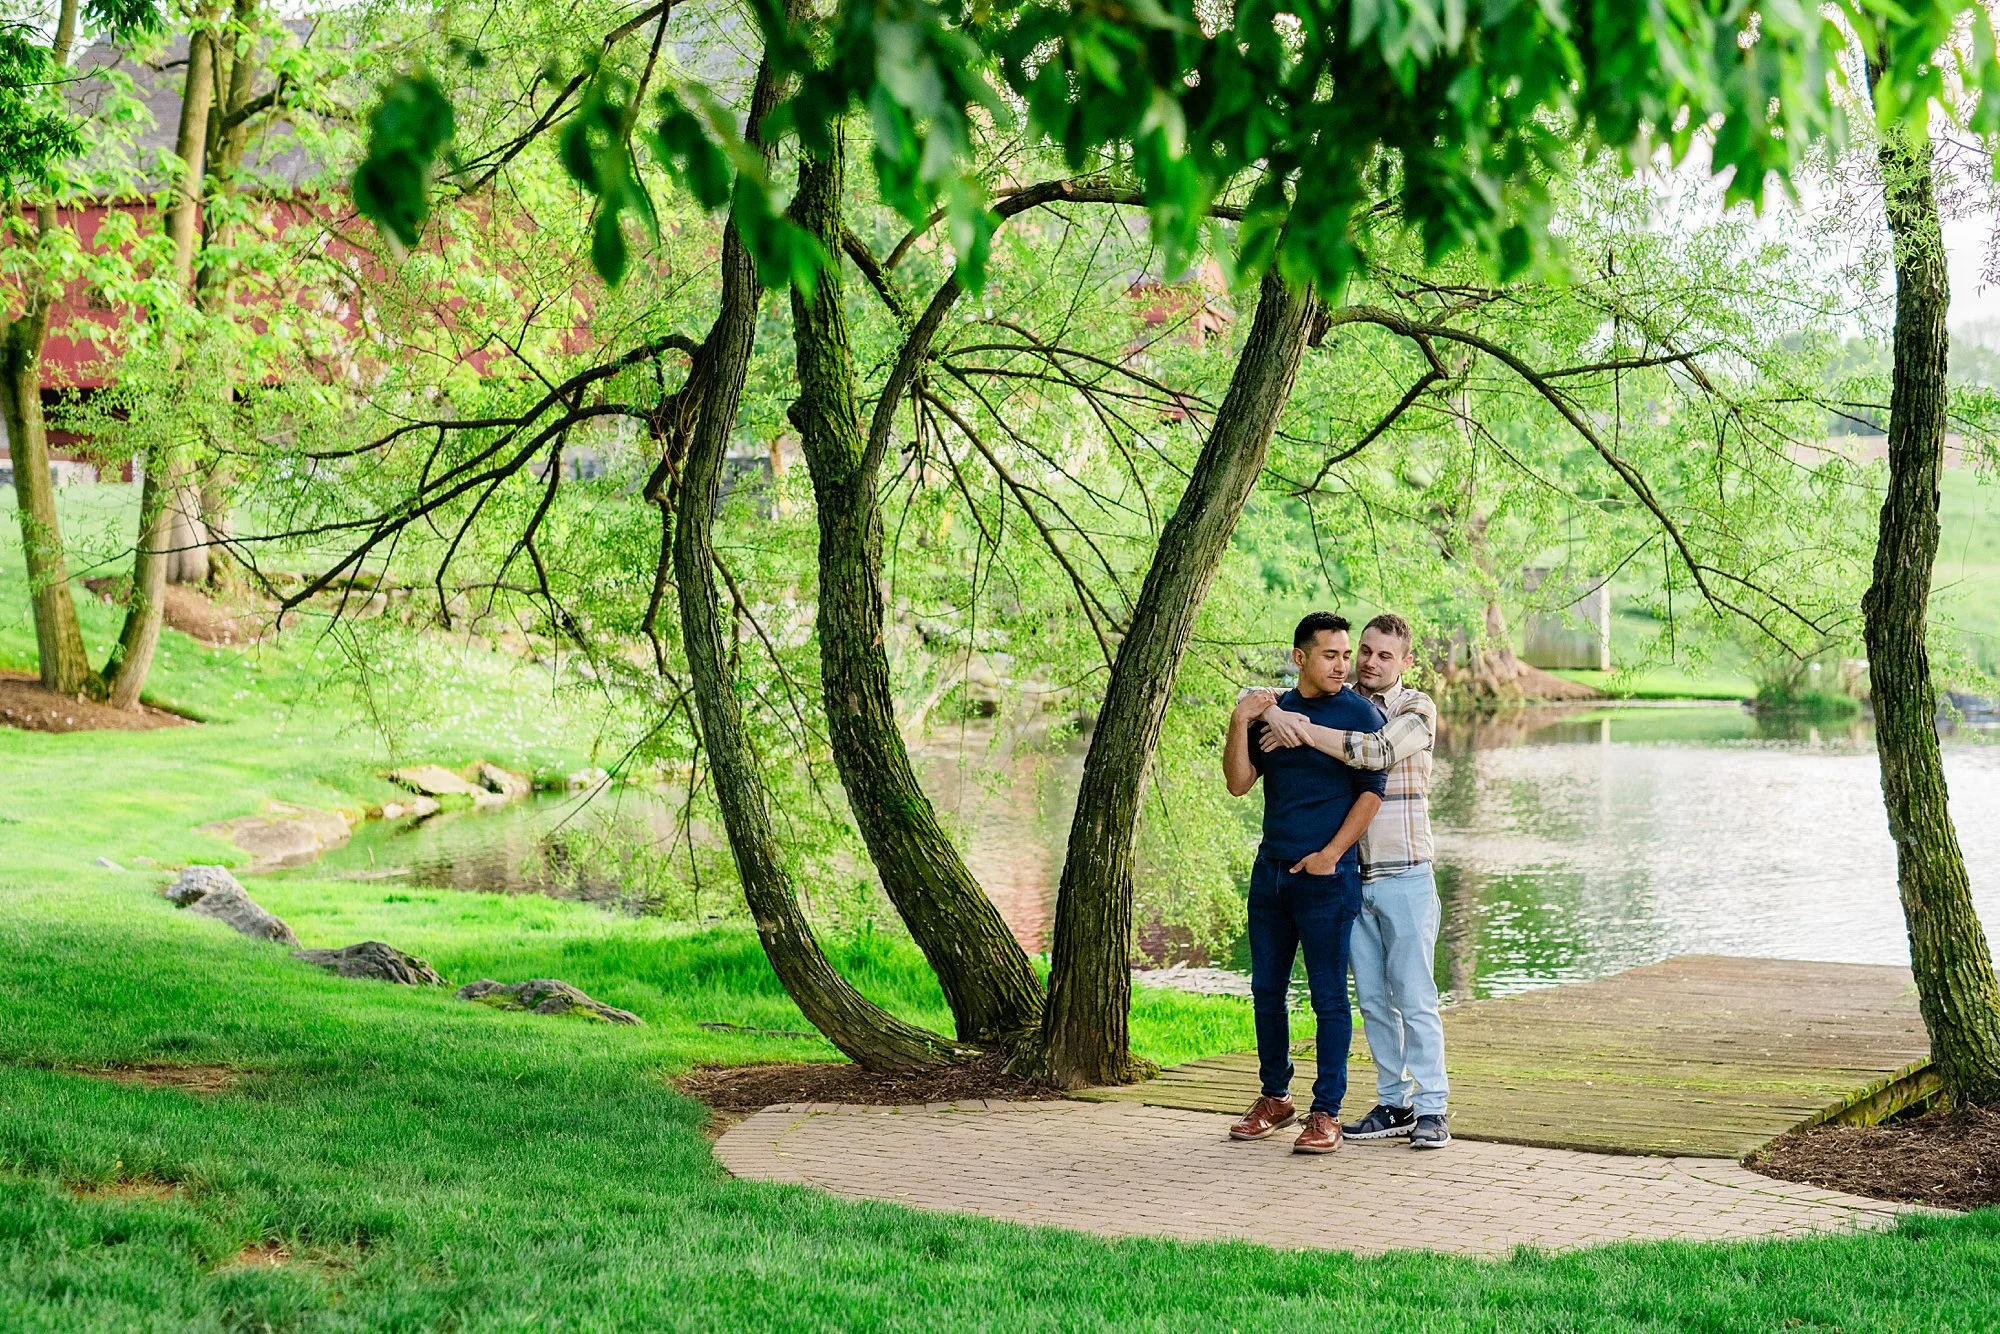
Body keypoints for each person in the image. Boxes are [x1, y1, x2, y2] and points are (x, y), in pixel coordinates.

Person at [1254, 612, 1449, 1149]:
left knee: (1415, 995)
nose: (1368, 662)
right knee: (1372, 1002)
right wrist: (1271, 711)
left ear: (1406, 662)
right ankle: (1394, 1102)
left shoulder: (1415, 709)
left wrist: (1294, 728)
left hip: (1405, 871)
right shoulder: (1339, 702)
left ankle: (1433, 1106)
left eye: (1385, 655)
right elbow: (1258, 694)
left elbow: (1375, 752)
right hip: (1351, 877)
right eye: (1364, 650)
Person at [1221, 612, 1386, 1155]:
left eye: (1346, 655)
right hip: (1270, 873)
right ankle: (1275, 1098)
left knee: (1328, 998)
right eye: (1330, 655)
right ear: (1300, 657)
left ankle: (1326, 1112)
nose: (1343, 666)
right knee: (1266, 992)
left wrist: (1330, 856)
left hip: (1326, 879)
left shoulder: (1360, 714)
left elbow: (1372, 792)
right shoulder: (1273, 711)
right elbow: (1238, 783)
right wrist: (1240, 719)